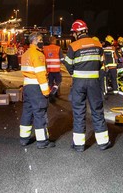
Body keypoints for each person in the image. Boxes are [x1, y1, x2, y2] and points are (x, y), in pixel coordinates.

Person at [63, 19, 111, 152]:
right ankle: (103, 142)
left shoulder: (74, 46)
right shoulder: (97, 44)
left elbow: (67, 63)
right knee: (97, 110)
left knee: (79, 112)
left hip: (79, 82)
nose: (73, 35)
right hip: (94, 82)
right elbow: (102, 63)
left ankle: (79, 144)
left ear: (77, 32)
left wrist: (75, 73)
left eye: (74, 33)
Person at [19, 32, 55, 149]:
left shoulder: (26, 54)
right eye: (40, 39)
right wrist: (46, 91)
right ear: (34, 40)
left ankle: (24, 138)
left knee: (27, 112)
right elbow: (41, 74)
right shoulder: (38, 54)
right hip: (36, 87)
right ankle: (42, 141)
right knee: (40, 113)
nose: (42, 41)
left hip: (27, 87)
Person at [42, 36, 64, 102]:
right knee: (58, 81)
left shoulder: (44, 48)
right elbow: (62, 59)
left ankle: (50, 94)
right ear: (54, 41)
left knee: (50, 83)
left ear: (49, 40)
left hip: (48, 69)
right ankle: (53, 92)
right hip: (56, 69)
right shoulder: (58, 48)